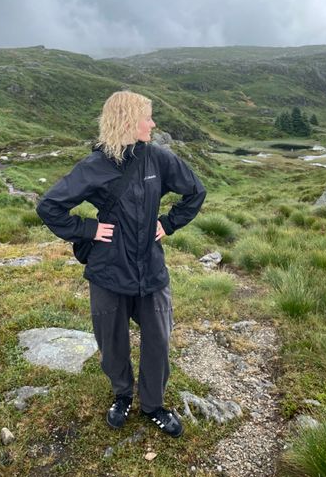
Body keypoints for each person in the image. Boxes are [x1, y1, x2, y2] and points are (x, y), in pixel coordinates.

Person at [36, 91, 206, 437]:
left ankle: (153, 404)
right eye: (148, 117)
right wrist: (88, 228)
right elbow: (49, 207)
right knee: (112, 341)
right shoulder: (94, 166)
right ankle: (122, 394)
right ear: (128, 121)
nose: (153, 124)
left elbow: (195, 192)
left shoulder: (158, 159)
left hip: (151, 269)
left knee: (158, 338)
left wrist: (168, 223)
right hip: (108, 270)